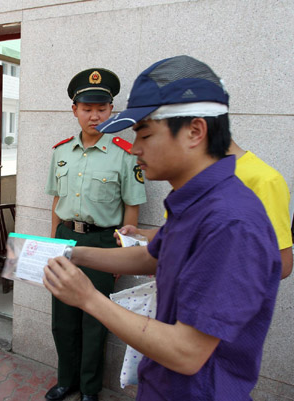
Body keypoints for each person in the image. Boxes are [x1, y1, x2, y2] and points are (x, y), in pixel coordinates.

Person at [43, 56, 282, 400]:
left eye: (146, 133)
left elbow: (187, 353)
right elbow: (150, 257)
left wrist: (89, 298)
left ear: (195, 131)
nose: (136, 148)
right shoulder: (195, 201)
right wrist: (70, 252)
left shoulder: (230, 221)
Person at [44, 68, 147, 401]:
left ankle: (89, 389)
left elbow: (132, 209)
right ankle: (66, 381)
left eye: (101, 108)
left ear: (111, 110)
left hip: (102, 242)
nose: (94, 115)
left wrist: (123, 254)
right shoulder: (61, 151)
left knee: (94, 320)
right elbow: (56, 202)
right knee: (63, 319)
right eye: (87, 108)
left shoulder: (124, 152)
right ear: (74, 110)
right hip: (65, 238)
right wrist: (52, 243)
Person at [116, 139, 293, 279]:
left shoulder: (265, 180)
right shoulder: (193, 171)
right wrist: (142, 235)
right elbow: (181, 232)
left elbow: (281, 265)